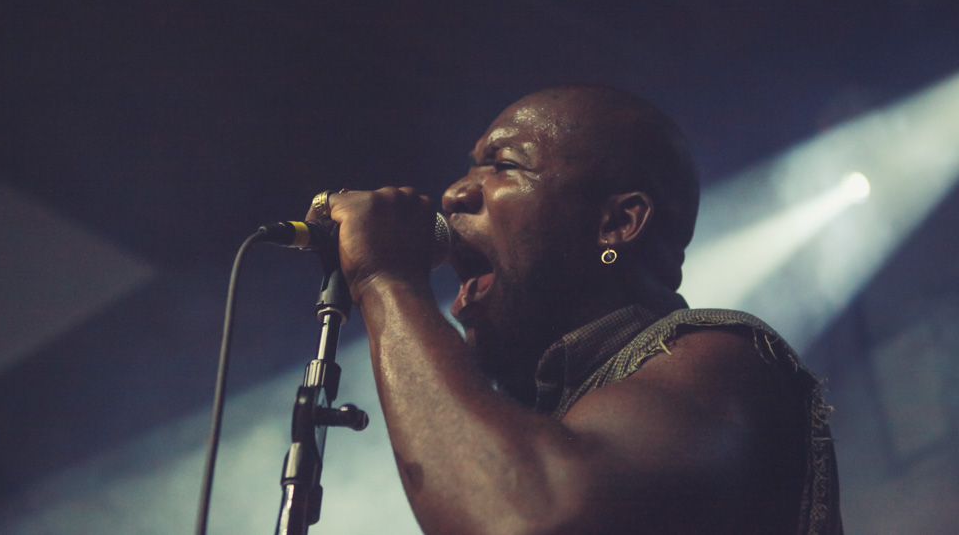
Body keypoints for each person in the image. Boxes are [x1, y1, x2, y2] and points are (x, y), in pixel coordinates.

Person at [307, 86, 842, 534]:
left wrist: (387, 281)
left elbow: (523, 519)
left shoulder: (724, 362)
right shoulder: (547, 418)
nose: (452, 194)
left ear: (618, 224)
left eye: (502, 165)